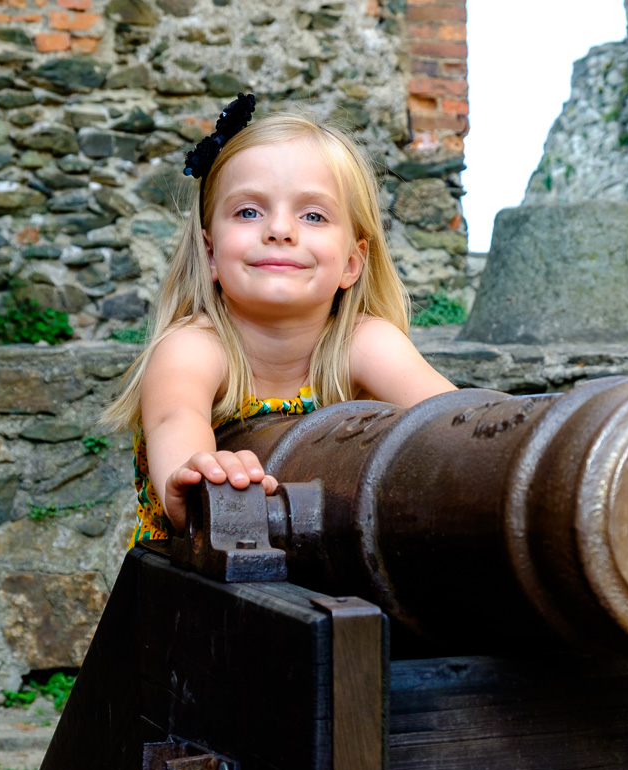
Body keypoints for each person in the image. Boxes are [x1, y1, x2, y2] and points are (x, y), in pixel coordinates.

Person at [102, 95, 455, 546]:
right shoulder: (193, 347)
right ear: (211, 254)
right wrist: (199, 470)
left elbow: (452, 419)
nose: (280, 230)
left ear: (352, 262)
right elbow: (176, 416)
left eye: (313, 215)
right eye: (249, 212)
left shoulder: (366, 342)